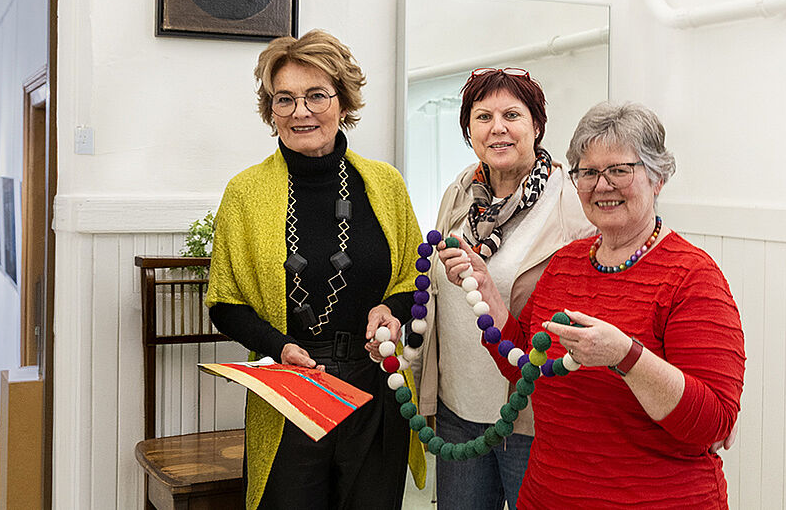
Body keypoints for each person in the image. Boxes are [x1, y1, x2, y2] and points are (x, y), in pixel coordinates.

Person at [438, 101, 745, 509]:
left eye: (619, 170)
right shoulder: (565, 264)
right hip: (547, 496)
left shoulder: (692, 277)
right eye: (588, 172)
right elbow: (524, 366)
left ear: (657, 178)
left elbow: (713, 422)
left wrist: (626, 355)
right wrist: (490, 296)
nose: (602, 185)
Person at [206, 29, 425, 509]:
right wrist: (277, 347)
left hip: (375, 382)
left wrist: (391, 309)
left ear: (342, 102)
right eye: (284, 99)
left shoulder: (384, 185)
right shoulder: (245, 193)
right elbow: (224, 302)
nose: (300, 111)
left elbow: (412, 276)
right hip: (292, 388)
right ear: (271, 112)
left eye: (315, 96)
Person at [414, 67, 594, 509]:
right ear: (468, 130)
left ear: (536, 125)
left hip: (530, 416)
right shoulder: (460, 192)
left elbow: (587, 303)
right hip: (458, 409)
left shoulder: (569, 200)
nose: (497, 128)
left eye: (512, 115)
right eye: (482, 116)